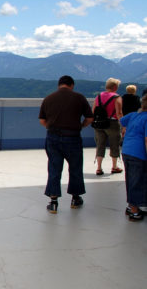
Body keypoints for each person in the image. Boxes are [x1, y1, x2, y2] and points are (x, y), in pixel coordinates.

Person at [38, 75, 93, 213]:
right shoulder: (79, 97)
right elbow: (90, 118)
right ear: (72, 85)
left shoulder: (49, 98)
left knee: (54, 168)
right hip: (73, 137)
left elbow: (42, 120)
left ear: (59, 85)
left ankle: (53, 201)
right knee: (75, 167)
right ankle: (75, 198)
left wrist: (52, 129)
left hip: (53, 137)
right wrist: (80, 126)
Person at [119, 95, 147, 222]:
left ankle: (131, 206)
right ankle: (135, 211)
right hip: (138, 152)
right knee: (137, 181)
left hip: (126, 150)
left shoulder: (134, 115)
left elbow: (122, 121)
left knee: (130, 179)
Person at [92, 78, 123, 175]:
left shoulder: (98, 96)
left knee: (100, 145)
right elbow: (119, 113)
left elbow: (93, 111)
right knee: (114, 144)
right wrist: (123, 126)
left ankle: (99, 168)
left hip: (99, 123)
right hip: (112, 123)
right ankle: (114, 167)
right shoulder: (116, 97)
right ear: (115, 87)